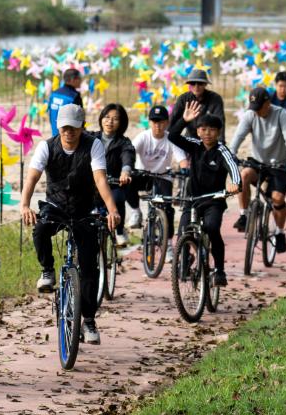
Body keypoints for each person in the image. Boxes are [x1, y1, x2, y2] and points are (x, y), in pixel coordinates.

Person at [20, 104, 121, 345]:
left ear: (82, 127)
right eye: (64, 128)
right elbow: (33, 176)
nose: (69, 133)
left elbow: (99, 178)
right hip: (55, 205)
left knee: (89, 268)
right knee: (41, 228)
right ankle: (47, 271)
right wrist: (25, 204)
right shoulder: (46, 146)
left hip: (84, 209)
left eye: (74, 128)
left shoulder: (93, 145)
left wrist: (112, 209)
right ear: (58, 127)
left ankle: (88, 320)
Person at [168, 101, 241, 287]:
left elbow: (233, 168)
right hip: (192, 200)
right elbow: (173, 136)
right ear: (198, 131)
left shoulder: (222, 150)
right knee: (183, 231)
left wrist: (236, 183)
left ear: (218, 132)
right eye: (203, 129)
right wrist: (184, 120)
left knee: (212, 228)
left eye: (212, 130)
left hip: (214, 201)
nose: (207, 133)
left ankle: (219, 270)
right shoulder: (195, 145)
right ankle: (185, 260)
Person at [228, 87, 286, 253]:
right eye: (254, 107)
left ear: (268, 103)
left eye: (260, 107)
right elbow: (238, 136)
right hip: (258, 162)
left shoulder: (282, 114)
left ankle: (280, 233)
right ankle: (244, 215)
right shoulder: (250, 115)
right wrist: (231, 153)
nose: (257, 111)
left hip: (280, 164)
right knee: (243, 175)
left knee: (277, 199)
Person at [125, 105, 187, 257]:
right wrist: (127, 168)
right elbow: (129, 152)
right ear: (149, 122)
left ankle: (169, 244)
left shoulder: (170, 138)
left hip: (163, 177)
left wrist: (184, 170)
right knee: (126, 182)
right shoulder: (143, 137)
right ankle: (135, 211)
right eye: (154, 122)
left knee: (168, 210)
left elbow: (182, 160)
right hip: (143, 175)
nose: (157, 125)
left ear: (167, 123)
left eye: (161, 122)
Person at [86, 103, 136, 247]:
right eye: (107, 117)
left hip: (113, 183)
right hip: (92, 184)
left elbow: (128, 157)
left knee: (118, 197)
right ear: (101, 118)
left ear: (121, 123)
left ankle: (120, 231)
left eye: (115, 119)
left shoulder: (124, 142)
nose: (110, 121)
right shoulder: (91, 137)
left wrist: (125, 172)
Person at [168, 69, 226, 140]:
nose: (196, 86)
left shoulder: (215, 99)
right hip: (190, 139)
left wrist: (221, 143)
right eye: (193, 83)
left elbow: (220, 123)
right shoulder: (183, 99)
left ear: (205, 84)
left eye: (200, 83)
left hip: (209, 139)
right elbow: (172, 121)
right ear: (189, 85)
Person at [48, 68, 84, 137]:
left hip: (55, 134)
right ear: (73, 80)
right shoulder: (74, 96)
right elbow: (80, 119)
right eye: (79, 78)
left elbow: (50, 114)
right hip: (69, 137)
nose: (81, 81)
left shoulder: (53, 94)